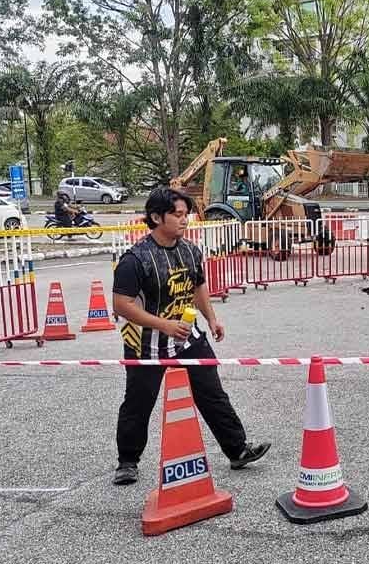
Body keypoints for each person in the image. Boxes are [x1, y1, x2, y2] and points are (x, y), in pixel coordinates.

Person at [111, 188, 270, 486]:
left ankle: (237, 450)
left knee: (212, 393)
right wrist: (163, 325)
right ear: (157, 217)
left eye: (187, 215)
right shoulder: (135, 260)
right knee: (138, 402)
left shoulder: (190, 250)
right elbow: (121, 305)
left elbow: (198, 287)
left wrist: (211, 319)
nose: (185, 221)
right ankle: (127, 462)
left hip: (188, 337)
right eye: (178, 215)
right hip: (146, 343)